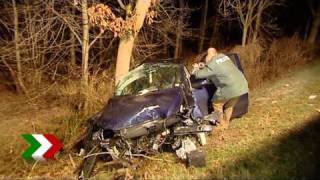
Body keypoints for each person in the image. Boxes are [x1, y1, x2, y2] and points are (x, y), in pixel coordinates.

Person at [192, 48, 248, 129]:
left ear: (209, 55)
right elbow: (218, 66)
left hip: (229, 88)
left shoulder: (213, 64)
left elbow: (198, 75)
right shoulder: (223, 56)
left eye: (207, 57)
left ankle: (220, 124)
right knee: (229, 105)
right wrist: (204, 65)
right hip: (241, 85)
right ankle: (226, 124)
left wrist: (196, 69)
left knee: (217, 104)